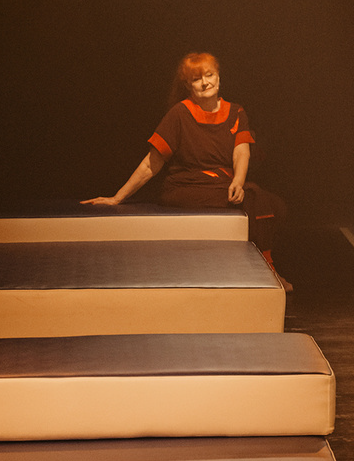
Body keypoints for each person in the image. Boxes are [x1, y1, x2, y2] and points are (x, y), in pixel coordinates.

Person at [82, 52, 290, 290]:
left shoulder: (236, 112)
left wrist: (239, 182)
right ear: (188, 85)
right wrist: (117, 197)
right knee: (254, 200)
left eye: (209, 75)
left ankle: (256, 268)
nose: (205, 83)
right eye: (197, 79)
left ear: (219, 76)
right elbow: (152, 163)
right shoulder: (180, 113)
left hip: (222, 183)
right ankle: (268, 272)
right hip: (187, 186)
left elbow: (241, 152)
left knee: (275, 206)